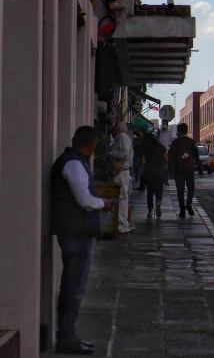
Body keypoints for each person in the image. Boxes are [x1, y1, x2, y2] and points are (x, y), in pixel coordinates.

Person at [51, 126, 113, 355]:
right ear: (92, 145)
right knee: (74, 288)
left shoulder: (71, 161)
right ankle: (67, 338)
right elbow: (84, 199)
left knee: (73, 285)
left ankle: (69, 335)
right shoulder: (74, 163)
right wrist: (102, 203)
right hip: (75, 232)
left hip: (74, 230)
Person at [169, 122, 202, 218]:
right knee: (191, 188)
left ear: (179, 131)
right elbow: (196, 156)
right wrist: (199, 168)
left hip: (178, 169)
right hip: (189, 168)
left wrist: (171, 171)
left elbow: (171, 158)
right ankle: (188, 203)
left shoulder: (175, 143)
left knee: (180, 190)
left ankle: (182, 210)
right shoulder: (192, 142)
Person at [108, 121, 134, 233]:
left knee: (121, 197)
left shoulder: (122, 137)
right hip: (121, 172)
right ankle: (122, 223)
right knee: (122, 197)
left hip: (121, 172)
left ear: (118, 129)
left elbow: (124, 154)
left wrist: (110, 154)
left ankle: (121, 224)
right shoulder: (121, 138)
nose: (112, 130)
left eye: (114, 127)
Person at [140, 133, 168, 219]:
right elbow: (167, 159)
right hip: (160, 171)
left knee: (150, 191)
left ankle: (150, 210)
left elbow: (142, 162)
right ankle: (158, 202)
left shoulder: (146, 148)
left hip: (149, 171)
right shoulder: (161, 147)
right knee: (159, 189)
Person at [156, 119, 173, 186]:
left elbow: (170, 142)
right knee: (159, 166)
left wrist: (168, 148)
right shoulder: (158, 132)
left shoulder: (169, 133)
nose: (164, 125)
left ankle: (166, 181)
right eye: (163, 123)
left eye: (165, 123)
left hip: (166, 151)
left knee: (166, 167)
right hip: (158, 152)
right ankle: (159, 179)